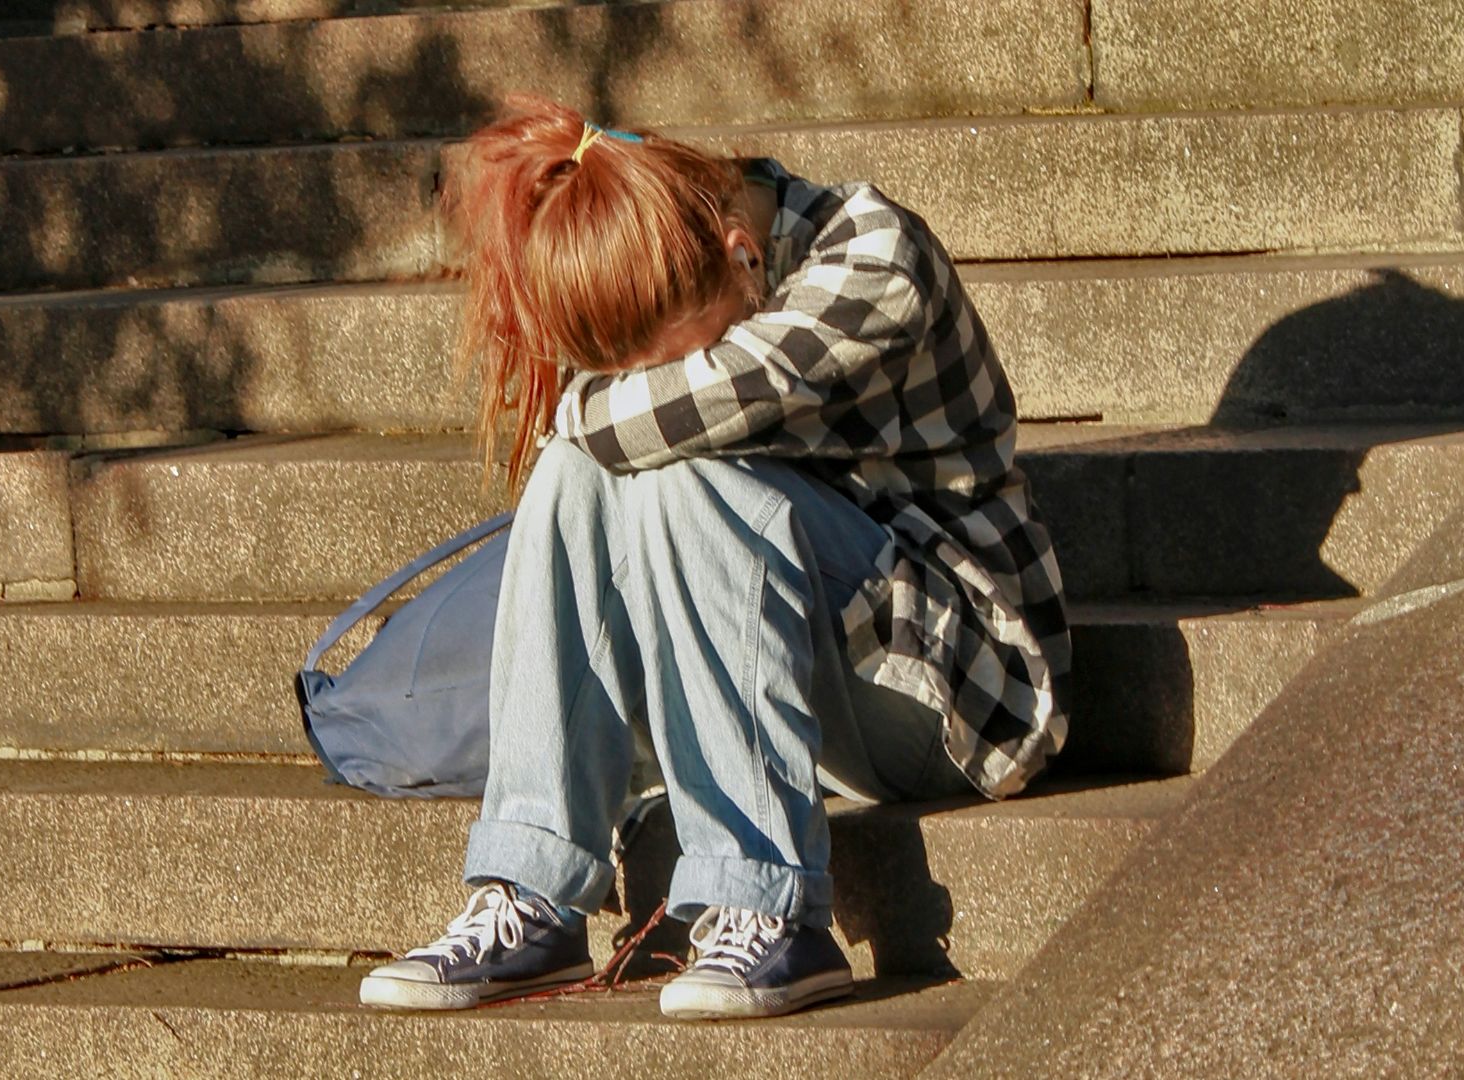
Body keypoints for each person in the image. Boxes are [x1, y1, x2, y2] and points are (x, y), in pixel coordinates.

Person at [358, 95, 1070, 1020]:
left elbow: (645, 418)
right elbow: (617, 435)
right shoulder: (700, 270)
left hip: (961, 690)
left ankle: (766, 909)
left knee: (667, 466)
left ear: (742, 252)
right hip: (806, 684)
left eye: (674, 355)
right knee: (592, 473)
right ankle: (531, 887)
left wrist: (584, 411)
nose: (652, 380)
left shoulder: (872, 256)